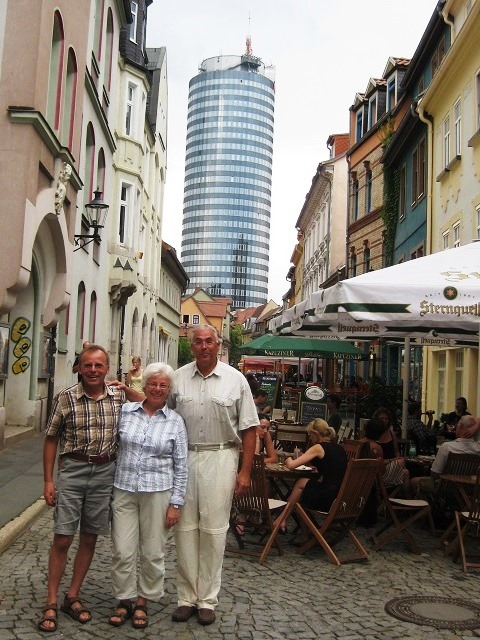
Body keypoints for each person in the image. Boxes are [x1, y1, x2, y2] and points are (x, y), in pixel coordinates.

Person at [37, 344, 143, 633]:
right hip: (73, 470)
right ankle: (50, 600)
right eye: (88, 365)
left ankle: (72, 596)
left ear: (107, 369)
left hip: (106, 471)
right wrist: (48, 480)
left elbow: (148, 402)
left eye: (99, 366)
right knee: (62, 537)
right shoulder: (66, 398)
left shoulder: (118, 396)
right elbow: (50, 439)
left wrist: (126, 386)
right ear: (80, 368)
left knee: (90, 537)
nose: (93, 370)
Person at [169, 325, 258, 626]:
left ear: (218, 345)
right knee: (184, 529)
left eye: (209, 341)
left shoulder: (236, 380)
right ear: (191, 346)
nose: (204, 346)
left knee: (214, 530)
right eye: (198, 342)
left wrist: (244, 472)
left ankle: (207, 599)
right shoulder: (178, 378)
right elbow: (162, 417)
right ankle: (185, 597)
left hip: (221, 457)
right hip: (184, 459)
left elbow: (249, 429)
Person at [109, 363, 188, 629]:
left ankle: (143, 599)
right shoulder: (126, 412)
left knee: (153, 551)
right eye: (152, 384)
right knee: (122, 549)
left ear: (169, 390)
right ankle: (124, 598)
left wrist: (176, 503)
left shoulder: (175, 422)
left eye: (162, 385)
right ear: (144, 386)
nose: (157, 388)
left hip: (158, 492)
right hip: (124, 489)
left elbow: (181, 465)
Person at [273, 419, 347, 541]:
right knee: (304, 484)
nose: (310, 438)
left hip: (327, 500)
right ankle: (284, 521)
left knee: (302, 486)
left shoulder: (318, 447)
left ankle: (285, 521)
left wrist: (288, 459)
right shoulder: (340, 448)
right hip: (341, 498)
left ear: (316, 434)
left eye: (310, 435)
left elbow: (292, 465)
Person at [411, 415, 480, 501]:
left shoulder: (447, 447)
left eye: (457, 426)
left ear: (461, 426)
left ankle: (428, 511)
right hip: (469, 489)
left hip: (445, 488)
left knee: (414, 481)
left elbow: (434, 473)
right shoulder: (478, 449)